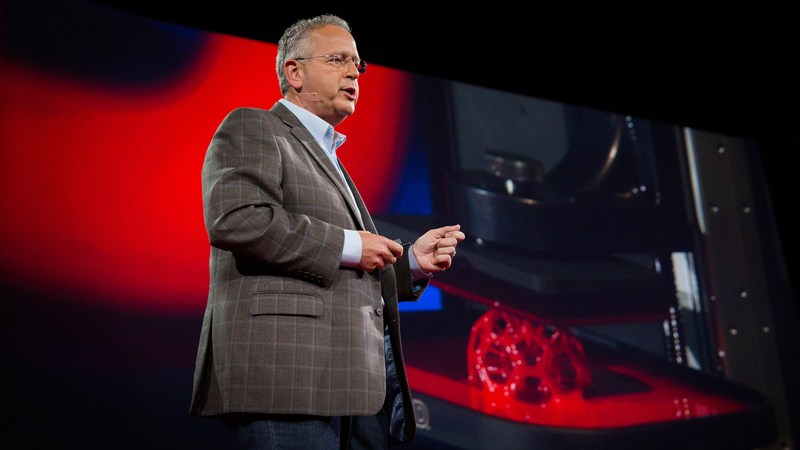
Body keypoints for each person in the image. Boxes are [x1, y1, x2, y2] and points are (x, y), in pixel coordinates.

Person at [189, 14, 465, 449]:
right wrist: (353, 244)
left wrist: (411, 263)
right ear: (293, 72)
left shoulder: (331, 158)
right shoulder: (254, 127)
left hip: (352, 386)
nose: (354, 72)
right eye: (338, 59)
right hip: (287, 378)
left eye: (358, 64)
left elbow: (341, 275)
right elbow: (238, 219)